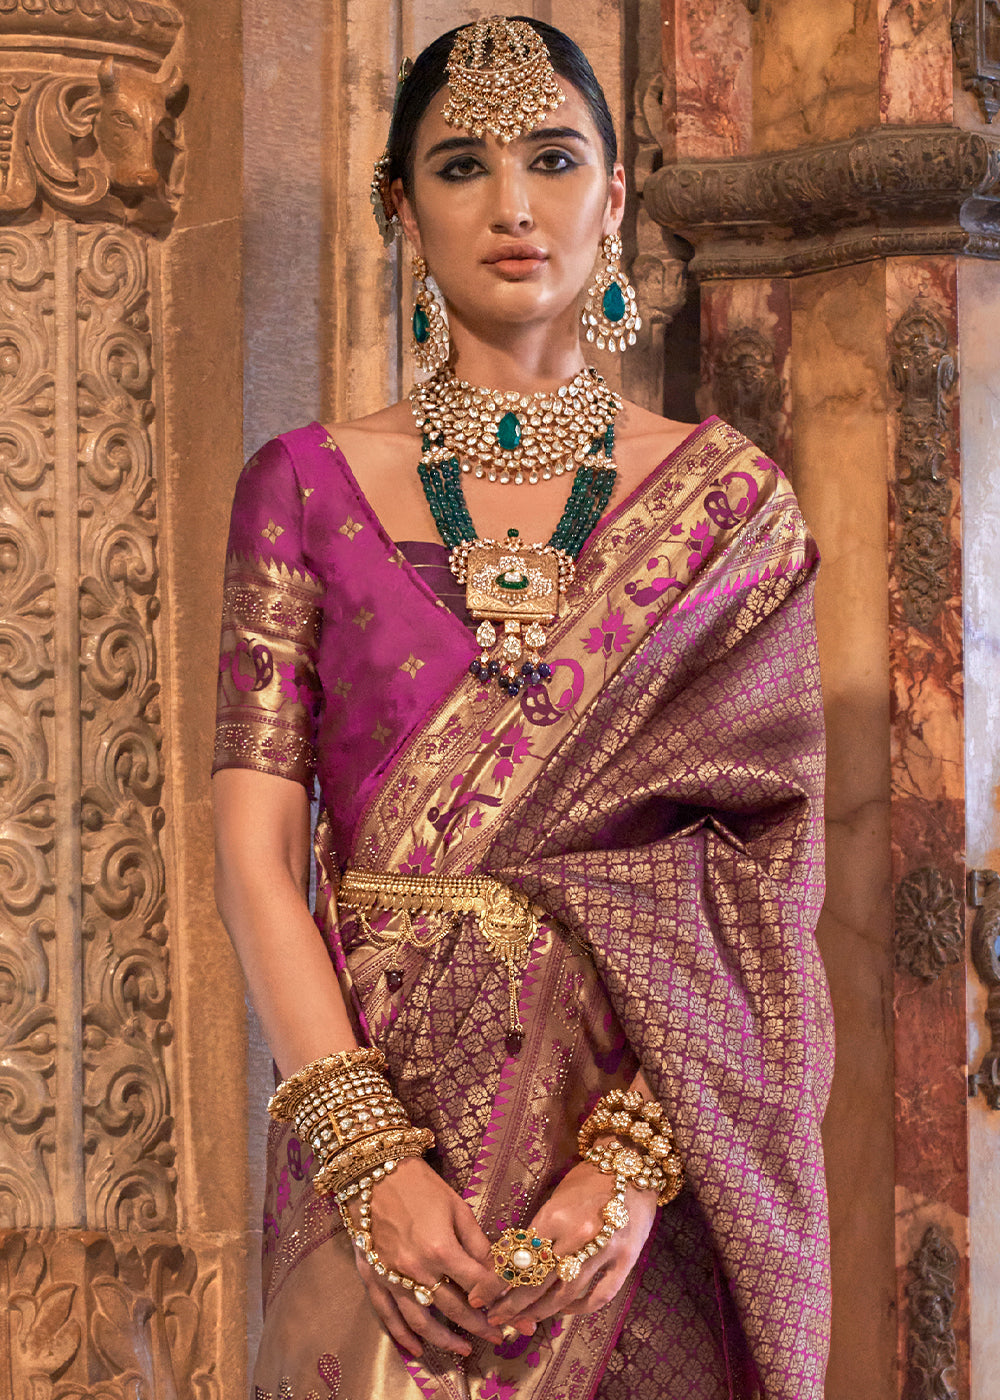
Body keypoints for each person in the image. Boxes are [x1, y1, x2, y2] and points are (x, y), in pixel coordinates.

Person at [212, 17, 834, 1400]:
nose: (511, 204)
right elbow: (254, 858)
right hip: (377, 1140)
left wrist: (631, 1166)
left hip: (629, 1165)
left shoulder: (731, 508)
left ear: (614, 200)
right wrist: (369, 1155)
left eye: (553, 160)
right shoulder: (303, 488)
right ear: (400, 210)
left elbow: (767, 877)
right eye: (461, 166)